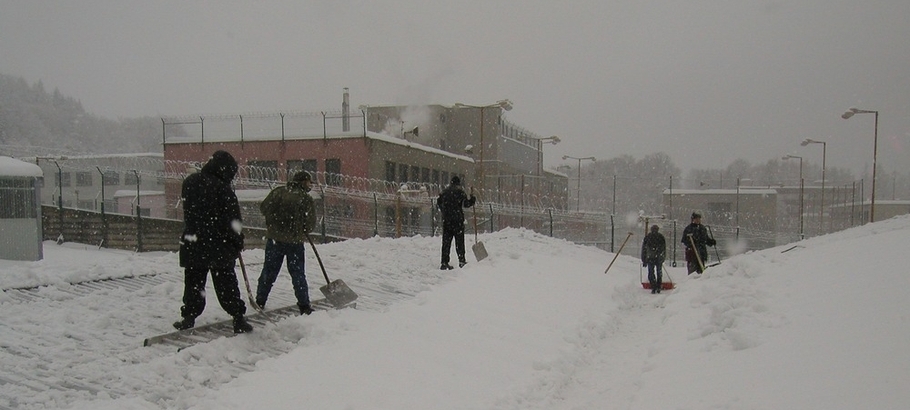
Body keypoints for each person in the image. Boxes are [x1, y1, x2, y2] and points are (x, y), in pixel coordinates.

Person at [173, 150, 253, 334]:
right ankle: (238, 317)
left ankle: (189, 317)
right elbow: (232, 220)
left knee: (194, 283)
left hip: (193, 242)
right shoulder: (223, 189)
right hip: (218, 245)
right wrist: (236, 241)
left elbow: (190, 211)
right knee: (226, 284)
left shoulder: (190, 182)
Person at [255, 170, 317, 315]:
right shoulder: (305, 198)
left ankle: (260, 300)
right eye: (309, 182)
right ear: (303, 182)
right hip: (294, 242)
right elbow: (310, 224)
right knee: (298, 274)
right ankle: (304, 305)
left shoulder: (278, 192)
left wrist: (274, 222)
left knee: (269, 271)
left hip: (275, 239)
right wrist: (301, 228)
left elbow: (264, 208)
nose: (310, 185)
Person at [436, 175, 476, 270]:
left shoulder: (444, 192)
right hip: (457, 220)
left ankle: (444, 262)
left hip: (447, 221)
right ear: (458, 183)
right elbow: (466, 204)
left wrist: (444, 211)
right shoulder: (460, 192)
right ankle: (461, 261)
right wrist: (472, 199)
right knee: (459, 242)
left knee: (446, 242)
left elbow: (438, 202)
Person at [641, 224, 666, 293]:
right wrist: (662, 257)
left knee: (651, 272)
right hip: (658, 257)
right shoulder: (661, 237)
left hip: (650, 258)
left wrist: (644, 259)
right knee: (659, 272)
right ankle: (658, 286)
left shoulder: (648, 237)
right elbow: (663, 248)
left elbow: (644, 249)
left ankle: (653, 286)